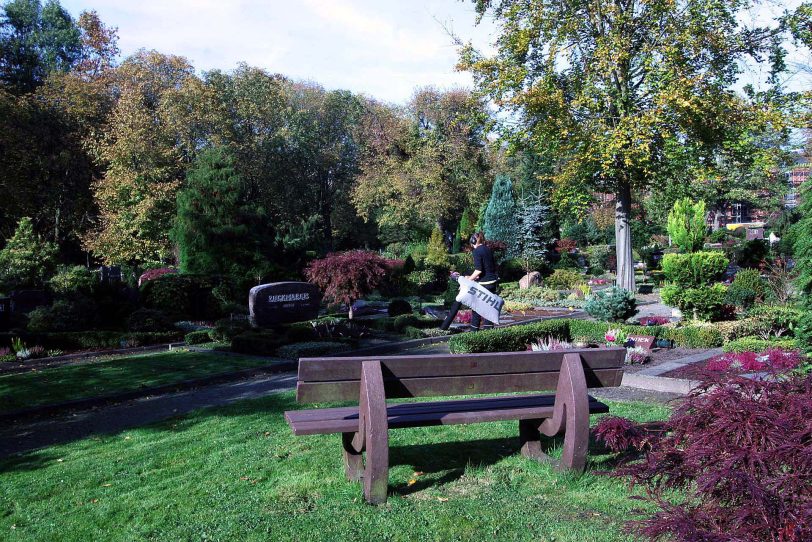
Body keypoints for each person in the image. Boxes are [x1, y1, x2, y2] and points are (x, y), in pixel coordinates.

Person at [440, 231, 500, 331]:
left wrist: (468, 280)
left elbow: (478, 270)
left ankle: (474, 331)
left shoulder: (476, 251)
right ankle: (487, 331)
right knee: (488, 307)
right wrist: (471, 277)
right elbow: (487, 268)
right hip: (492, 282)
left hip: (484, 284)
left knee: (476, 306)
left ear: (473, 241)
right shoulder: (488, 249)